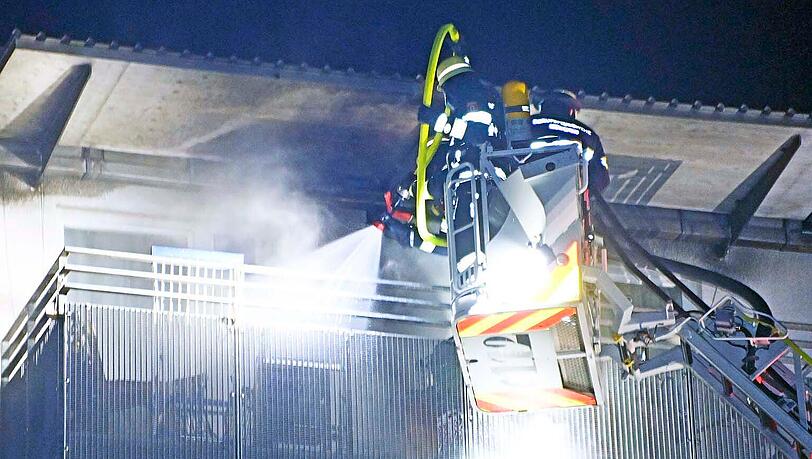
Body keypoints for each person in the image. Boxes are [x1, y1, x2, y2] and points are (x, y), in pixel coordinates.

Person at [376, 55, 500, 257]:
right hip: (469, 185)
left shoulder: (476, 99)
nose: (439, 207)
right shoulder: (462, 213)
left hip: (479, 181)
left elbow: (478, 135)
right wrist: (409, 238)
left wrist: (441, 122)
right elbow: (451, 249)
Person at [531, 89, 610, 194]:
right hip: (570, 193)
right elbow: (602, 178)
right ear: (572, 110)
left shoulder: (528, 123)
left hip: (524, 183)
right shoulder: (588, 134)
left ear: (542, 106)